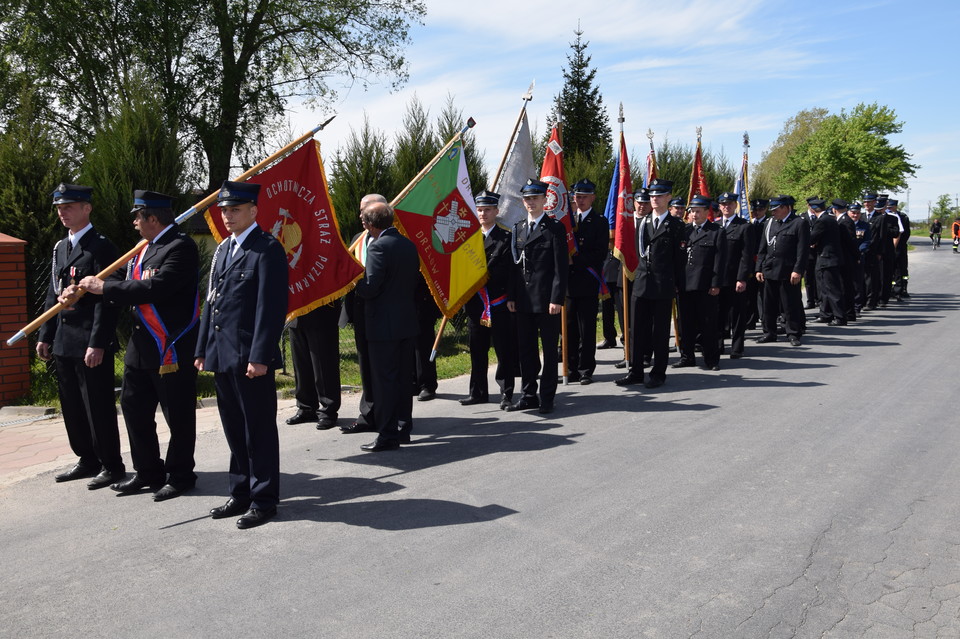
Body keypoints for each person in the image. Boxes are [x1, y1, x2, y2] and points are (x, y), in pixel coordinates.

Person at [72, 190, 200, 501]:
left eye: (138, 217)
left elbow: (156, 287)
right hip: (141, 347)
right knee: (133, 409)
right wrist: (81, 289)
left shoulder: (180, 247)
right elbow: (122, 282)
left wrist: (105, 288)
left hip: (170, 346)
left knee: (177, 414)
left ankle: (181, 474)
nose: (133, 223)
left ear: (152, 219)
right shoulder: (145, 248)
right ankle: (147, 471)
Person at [196, 180, 287, 529]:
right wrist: (204, 348)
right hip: (222, 354)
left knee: (258, 431)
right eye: (224, 210)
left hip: (251, 358)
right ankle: (241, 492)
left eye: (235, 209)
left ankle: (264, 499)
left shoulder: (267, 250)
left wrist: (261, 356)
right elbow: (212, 302)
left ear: (253, 211)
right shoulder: (223, 250)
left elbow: (271, 308)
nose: (228, 216)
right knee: (234, 428)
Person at [37, 183, 124, 489]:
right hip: (64, 338)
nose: (63, 213)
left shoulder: (102, 247)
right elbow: (54, 292)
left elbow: (108, 298)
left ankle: (111, 464)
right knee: (72, 405)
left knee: (97, 405)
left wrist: (98, 342)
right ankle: (86, 459)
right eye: (60, 208)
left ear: (87, 208)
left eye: (69, 207)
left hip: (89, 340)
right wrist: (45, 335)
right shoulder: (61, 247)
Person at [353, 201, 420, 450]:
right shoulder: (408, 244)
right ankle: (403, 428)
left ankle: (387, 434)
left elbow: (370, 289)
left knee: (385, 382)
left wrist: (354, 281)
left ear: (369, 224)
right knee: (403, 380)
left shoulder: (379, 248)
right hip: (406, 322)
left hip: (383, 326)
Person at [616, 178, 684, 389]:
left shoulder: (676, 226)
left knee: (660, 332)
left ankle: (658, 373)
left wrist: (677, 285)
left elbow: (679, 260)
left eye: (659, 195)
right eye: (652, 195)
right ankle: (636, 371)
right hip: (642, 283)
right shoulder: (643, 222)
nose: (654, 199)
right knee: (637, 330)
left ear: (668, 198)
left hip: (663, 285)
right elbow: (638, 254)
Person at [507, 179, 568, 414]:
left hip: (546, 301)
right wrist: (512, 295)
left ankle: (547, 397)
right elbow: (515, 268)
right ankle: (528, 394)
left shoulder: (554, 229)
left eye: (535, 198)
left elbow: (560, 268)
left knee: (550, 351)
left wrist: (557, 299)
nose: (531, 202)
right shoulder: (518, 228)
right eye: (527, 199)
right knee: (526, 350)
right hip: (523, 300)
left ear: (544, 200)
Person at [461, 190, 517, 408]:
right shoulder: (469, 239)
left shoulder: (506, 238)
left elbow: (512, 272)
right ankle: (478, 392)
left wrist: (512, 296)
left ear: (496, 211)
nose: (483, 213)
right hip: (475, 304)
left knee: (504, 350)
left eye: (487, 209)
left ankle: (507, 392)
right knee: (477, 350)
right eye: (480, 209)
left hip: (499, 302)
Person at [339, 193, 386, 436]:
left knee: (385, 368)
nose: (360, 215)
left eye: (364, 210)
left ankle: (390, 415)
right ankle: (367, 414)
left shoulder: (390, 240)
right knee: (366, 367)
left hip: (383, 315)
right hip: (361, 313)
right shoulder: (358, 239)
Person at [674, 195, 726, 371]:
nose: (693, 215)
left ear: (706, 212)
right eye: (692, 211)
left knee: (708, 324)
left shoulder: (716, 231)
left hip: (705, 286)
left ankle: (711, 359)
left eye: (697, 211)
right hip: (685, 285)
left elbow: (720, 261)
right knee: (685, 324)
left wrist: (716, 283)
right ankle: (687, 356)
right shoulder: (684, 231)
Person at [565, 179, 608, 385]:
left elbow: (599, 254)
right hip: (568, 283)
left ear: (593, 197)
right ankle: (571, 368)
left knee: (586, 329)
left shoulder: (600, 222)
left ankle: (585, 369)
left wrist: (575, 259)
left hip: (588, 282)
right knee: (569, 328)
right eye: (576, 196)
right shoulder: (567, 221)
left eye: (583, 196)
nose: (579, 199)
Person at [755, 194, 809, 346]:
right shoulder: (769, 223)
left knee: (790, 304)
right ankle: (769, 332)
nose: (773, 212)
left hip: (788, 271)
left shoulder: (799, 223)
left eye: (776, 209)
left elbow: (802, 250)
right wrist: (759, 268)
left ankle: (793, 333)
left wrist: (798, 270)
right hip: (770, 269)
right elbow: (762, 248)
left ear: (786, 208)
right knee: (768, 305)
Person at [285, 299, 342, 430]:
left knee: (324, 365)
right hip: (296, 312)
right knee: (301, 366)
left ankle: (328, 411)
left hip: (321, 309)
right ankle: (306, 408)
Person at [716, 191, 754, 359]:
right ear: (719, 207)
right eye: (723, 204)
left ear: (735, 206)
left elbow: (746, 256)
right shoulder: (715, 226)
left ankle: (737, 347)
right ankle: (717, 346)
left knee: (737, 315)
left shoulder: (744, 226)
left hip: (735, 278)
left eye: (729, 204)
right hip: (718, 279)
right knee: (718, 314)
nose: (726, 207)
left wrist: (742, 278)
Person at [808, 197, 847, 326]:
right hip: (828, 257)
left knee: (831, 289)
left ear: (813, 209)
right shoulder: (830, 219)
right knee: (824, 288)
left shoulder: (822, 221)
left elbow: (812, 238)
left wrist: (811, 242)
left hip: (827, 258)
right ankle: (826, 314)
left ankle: (840, 316)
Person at [744, 199, 769, 330]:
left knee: (764, 295)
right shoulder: (749, 224)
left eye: (760, 210)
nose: (757, 213)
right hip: (750, 264)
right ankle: (750, 321)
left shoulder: (768, 223)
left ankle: (766, 321)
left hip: (763, 263)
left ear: (765, 210)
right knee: (749, 294)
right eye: (754, 210)